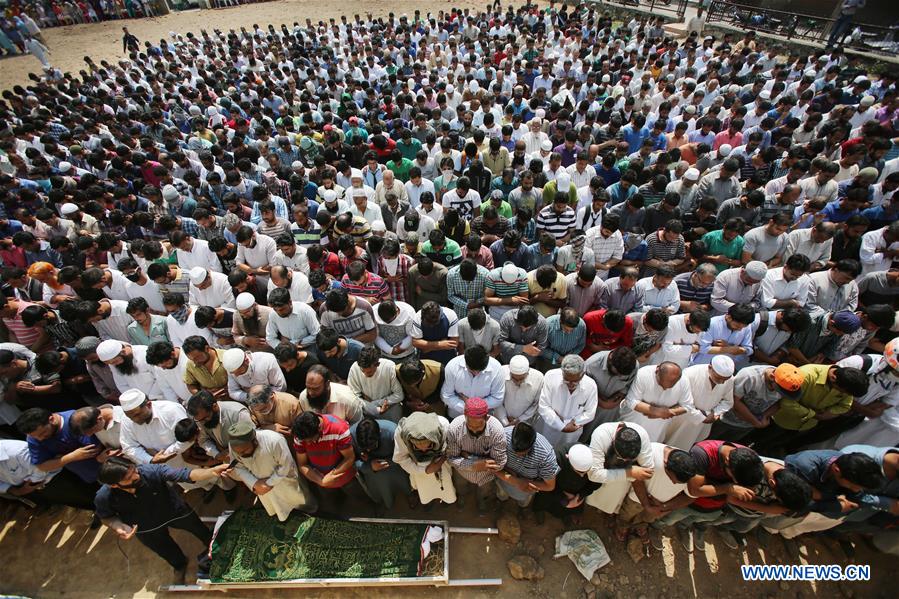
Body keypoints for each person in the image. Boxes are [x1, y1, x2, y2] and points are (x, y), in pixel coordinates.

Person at [94, 456, 229, 584]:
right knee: (165, 549)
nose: (136, 476)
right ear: (114, 485)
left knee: (199, 529)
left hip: (175, 512)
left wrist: (211, 472)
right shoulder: (104, 497)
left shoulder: (150, 471)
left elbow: (183, 474)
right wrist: (118, 526)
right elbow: (106, 517)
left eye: (134, 469)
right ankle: (179, 565)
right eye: (129, 477)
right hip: (146, 528)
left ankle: (214, 547)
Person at [226, 420, 316, 521]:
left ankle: (311, 513)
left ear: (254, 440)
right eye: (239, 453)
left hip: (284, 480)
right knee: (277, 506)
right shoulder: (235, 447)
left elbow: (285, 466)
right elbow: (238, 466)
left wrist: (269, 483)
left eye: (245, 451)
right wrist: (254, 483)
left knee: (300, 500)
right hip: (262, 486)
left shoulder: (274, 440)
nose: (241, 455)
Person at [446, 396, 507, 512]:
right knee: (461, 487)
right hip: (462, 472)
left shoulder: (497, 431)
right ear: (465, 416)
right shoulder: (454, 428)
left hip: (486, 476)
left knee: (485, 491)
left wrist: (468, 457)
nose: (474, 430)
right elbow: (451, 458)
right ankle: (462, 496)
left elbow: (500, 463)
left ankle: (482, 501)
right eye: (470, 425)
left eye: (479, 426)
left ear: (487, 417)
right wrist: (476, 464)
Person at [584, 422, 655, 515]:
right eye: (622, 458)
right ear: (613, 443)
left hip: (620, 484)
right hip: (604, 476)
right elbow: (594, 474)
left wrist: (630, 472)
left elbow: (648, 470)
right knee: (592, 497)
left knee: (611, 502)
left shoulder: (642, 435)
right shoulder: (601, 435)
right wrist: (629, 473)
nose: (624, 461)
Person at [665, 357, 736, 450]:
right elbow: (678, 402)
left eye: (725, 379)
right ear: (710, 367)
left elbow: (728, 402)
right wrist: (701, 417)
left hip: (701, 425)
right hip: (680, 419)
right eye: (719, 378)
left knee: (683, 448)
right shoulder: (690, 374)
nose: (722, 382)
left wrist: (715, 413)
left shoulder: (729, 380)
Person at [292, 410, 361, 504]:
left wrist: (331, 475)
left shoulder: (339, 429)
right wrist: (322, 482)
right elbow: (302, 465)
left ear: (319, 428)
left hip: (346, 478)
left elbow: (349, 458)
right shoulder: (300, 436)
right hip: (320, 479)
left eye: (311, 440)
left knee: (357, 497)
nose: (308, 443)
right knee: (334, 501)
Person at [620, 362, 696, 443]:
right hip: (632, 423)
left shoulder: (683, 381)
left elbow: (688, 406)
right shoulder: (644, 374)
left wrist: (670, 412)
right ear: (657, 371)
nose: (664, 389)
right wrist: (656, 411)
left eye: (670, 387)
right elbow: (631, 400)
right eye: (661, 384)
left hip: (657, 432)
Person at [393, 411, 457, 506]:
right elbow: (401, 459)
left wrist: (440, 462)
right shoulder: (401, 433)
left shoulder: (443, 425)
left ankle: (445, 499)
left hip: (443, 465)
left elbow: (450, 448)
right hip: (418, 470)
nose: (423, 449)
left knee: (446, 489)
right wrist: (425, 470)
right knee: (425, 491)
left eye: (427, 445)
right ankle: (428, 501)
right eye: (417, 445)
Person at [536, 355, 598, 451]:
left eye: (575, 381)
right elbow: (544, 406)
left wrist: (575, 423)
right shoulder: (550, 376)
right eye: (567, 380)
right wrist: (562, 426)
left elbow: (590, 413)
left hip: (573, 431)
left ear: (582, 374)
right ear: (562, 372)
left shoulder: (591, 385)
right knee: (543, 449)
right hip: (549, 426)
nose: (571, 384)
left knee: (564, 452)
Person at [350, 417, 411, 512]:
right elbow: (351, 462)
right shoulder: (351, 436)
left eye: (372, 446)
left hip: (394, 465)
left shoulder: (393, 433)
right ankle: (381, 500)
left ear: (380, 433)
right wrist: (369, 466)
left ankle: (408, 494)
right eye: (364, 448)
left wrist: (386, 462)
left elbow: (404, 456)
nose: (368, 451)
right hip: (370, 471)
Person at [494, 422, 559, 509]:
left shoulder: (545, 456)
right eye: (514, 450)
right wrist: (515, 481)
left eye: (523, 453)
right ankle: (502, 503)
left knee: (523, 503)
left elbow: (549, 486)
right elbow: (491, 466)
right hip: (503, 481)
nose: (518, 455)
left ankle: (521, 509)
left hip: (525, 491)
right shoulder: (502, 437)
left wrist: (527, 484)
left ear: (533, 444)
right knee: (502, 495)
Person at [347, 345, 404, 422]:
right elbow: (353, 397)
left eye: (369, 372)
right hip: (366, 409)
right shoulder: (354, 368)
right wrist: (373, 408)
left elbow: (399, 395)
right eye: (363, 371)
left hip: (390, 408)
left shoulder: (389, 367)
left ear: (377, 364)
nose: (365, 375)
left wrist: (376, 403)